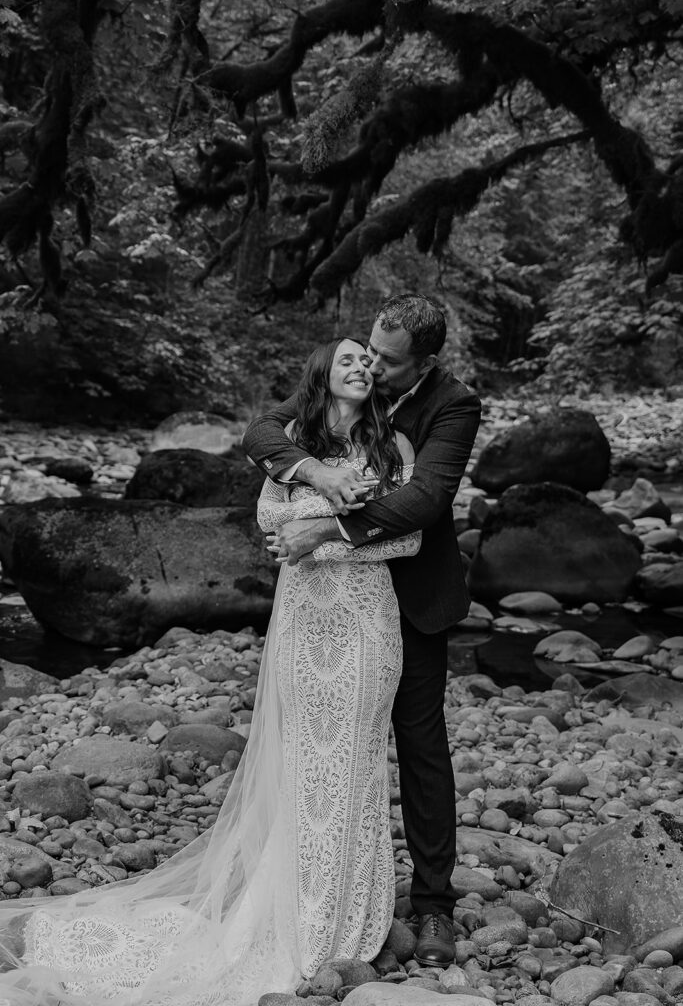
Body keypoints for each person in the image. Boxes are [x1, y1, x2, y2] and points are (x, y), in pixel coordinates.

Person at [0, 337, 420, 1006]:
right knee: (304, 760)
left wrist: (332, 532)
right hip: (302, 620)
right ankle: (292, 905)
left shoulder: (392, 447)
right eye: (347, 359)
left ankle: (342, 918)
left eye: (368, 362)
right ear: (321, 374)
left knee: (356, 759)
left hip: (366, 619)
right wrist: (310, 517)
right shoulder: (290, 449)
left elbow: (409, 536)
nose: (361, 367)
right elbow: (265, 520)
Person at [243, 293, 481, 967]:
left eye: (388, 360)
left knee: (420, 742)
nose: (373, 366)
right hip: (322, 601)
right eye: (368, 350)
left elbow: (426, 498)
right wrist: (312, 470)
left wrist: (328, 527)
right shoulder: (339, 383)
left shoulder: (452, 404)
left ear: (425, 360)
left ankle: (433, 906)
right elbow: (263, 434)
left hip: (408, 599)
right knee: (320, 744)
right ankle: (313, 885)